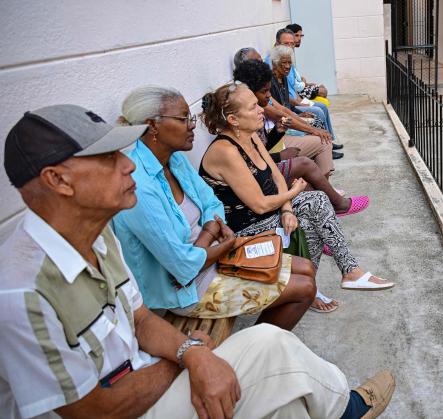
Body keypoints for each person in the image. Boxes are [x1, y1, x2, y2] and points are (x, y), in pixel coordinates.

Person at [0, 104, 396, 419]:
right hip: (130, 398)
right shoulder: (20, 293)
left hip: (148, 366)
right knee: (268, 345)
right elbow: (96, 410)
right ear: (58, 181)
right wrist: (194, 355)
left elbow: (139, 319)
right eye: (107, 158)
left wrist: (191, 351)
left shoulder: (96, 234)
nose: (128, 165)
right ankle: (345, 407)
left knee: (284, 402)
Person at [111, 86, 316, 331]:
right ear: (153, 126)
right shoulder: (139, 186)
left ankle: (263, 338)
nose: (192, 125)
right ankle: (253, 348)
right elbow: (183, 268)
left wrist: (209, 235)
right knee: (304, 288)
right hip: (185, 291)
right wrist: (222, 242)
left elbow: (212, 203)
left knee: (306, 268)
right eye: (184, 118)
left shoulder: (173, 159)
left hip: (212, 257)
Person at [199, 82, 395, 307]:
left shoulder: (249, 135)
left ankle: (324, 281)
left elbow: (276, 176)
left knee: (315, 206)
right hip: (242, 231)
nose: (262, 109)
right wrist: (293, 193)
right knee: (314, 205)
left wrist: (287, 209)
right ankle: (342, 274)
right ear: (233, 120)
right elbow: (260, 205)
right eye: (253, 107)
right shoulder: (225, 151)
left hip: (268, 214)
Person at [233, 59, 369, 217]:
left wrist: (277, 132)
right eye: (264, 92)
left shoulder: (258, 108)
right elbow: (253, 162)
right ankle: (334, 202)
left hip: (270, 161)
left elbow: (263, 145)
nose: (268, 96)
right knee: (305, 168)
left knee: (312, 180)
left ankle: (328, 196)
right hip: (262, 177)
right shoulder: (243, 122)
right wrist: (281, 156)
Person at [234, 47, 339, 160]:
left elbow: (283, 108)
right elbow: (280, 115)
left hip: (276, 134)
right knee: (319, 135)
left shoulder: (271, 82)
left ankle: (328, 144)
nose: (263, 63)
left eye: (261, 60)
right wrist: (312, 129)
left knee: (316, 120)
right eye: (257, 61)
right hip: (277, 136)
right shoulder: (253, 94)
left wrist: (298, 115)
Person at [271, 29, 344, 158]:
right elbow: (282, 110)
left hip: (292, 111)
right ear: (275, 63)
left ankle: (328, 143)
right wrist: (299, 115)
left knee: (317, 113)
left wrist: (300, 112)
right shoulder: (271, 79)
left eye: (289, 63)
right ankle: (325, 147)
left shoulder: (283, 76)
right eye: (284, 63)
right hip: (283, 124)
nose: (287, 66)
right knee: (317, 115)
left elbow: (287, 103)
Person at [285, 23, 331, 104]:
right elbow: (294, 85)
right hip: (297, 92)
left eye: (301, 36)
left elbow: (294, 78)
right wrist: (304, 83)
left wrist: (304, 82)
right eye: (296, 35)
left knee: (322, 87)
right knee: (323, 91)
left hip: (299, 88)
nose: (299, 39)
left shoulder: (290, 53)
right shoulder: (284, 56)